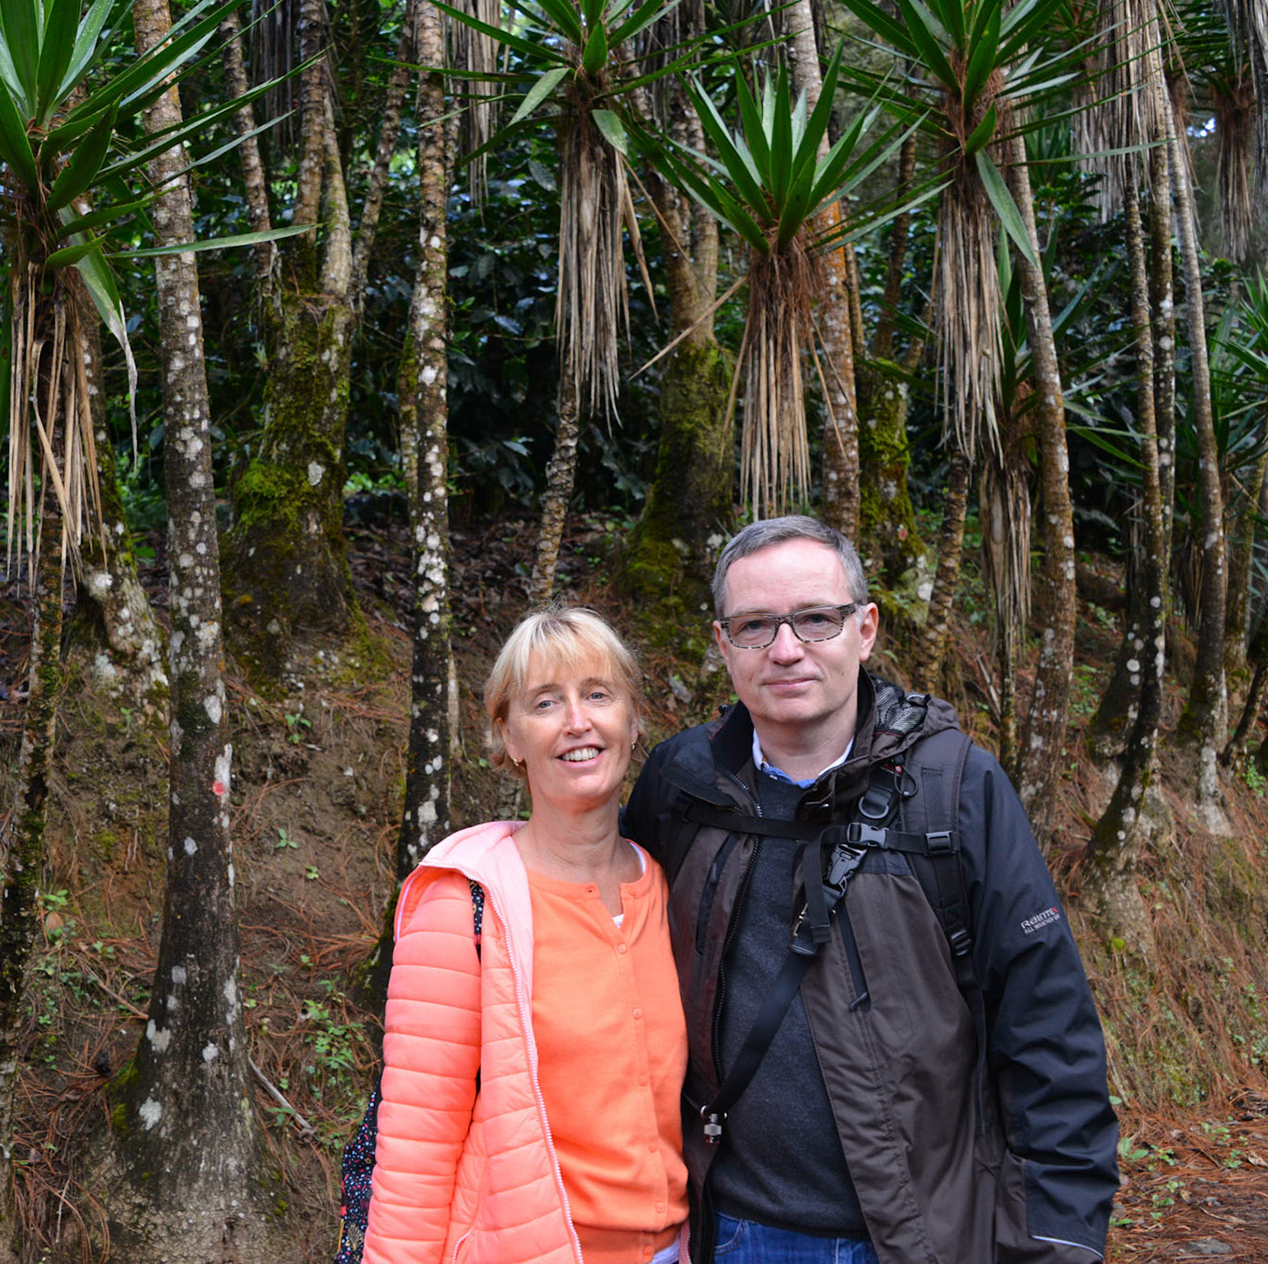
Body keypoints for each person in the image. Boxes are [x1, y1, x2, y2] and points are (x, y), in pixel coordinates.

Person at [621, 516, 1119, 1264]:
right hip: (722, 1229)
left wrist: (1055, 1240)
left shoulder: (954, 789)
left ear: (865, 628)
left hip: (917, 1238)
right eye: (755, 626)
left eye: (815, 618)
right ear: (723, 644)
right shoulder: (683, 784)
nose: (786, 649)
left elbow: (1046, 1027)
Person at [364, 607, 690, 1264]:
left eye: (597, 694)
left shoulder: (667, 885)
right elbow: (417, 1143)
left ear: (633, 721)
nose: (577, 721)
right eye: (545, 702)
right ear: (509, 736)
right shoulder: (466, 902)